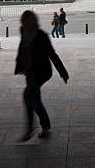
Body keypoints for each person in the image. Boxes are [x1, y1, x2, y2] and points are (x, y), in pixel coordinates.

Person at [15, 10, 69, 141]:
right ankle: (45, 125)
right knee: (34, 98)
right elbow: (22, 48)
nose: (28, 24)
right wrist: (20, 65)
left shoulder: (41, 36)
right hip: (29, 71)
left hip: (42, 72)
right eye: (25, 22)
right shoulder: (23, 31)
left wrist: (63, 73)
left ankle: (31, 128)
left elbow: (52, 55)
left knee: (29, 96)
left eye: (31, 21)